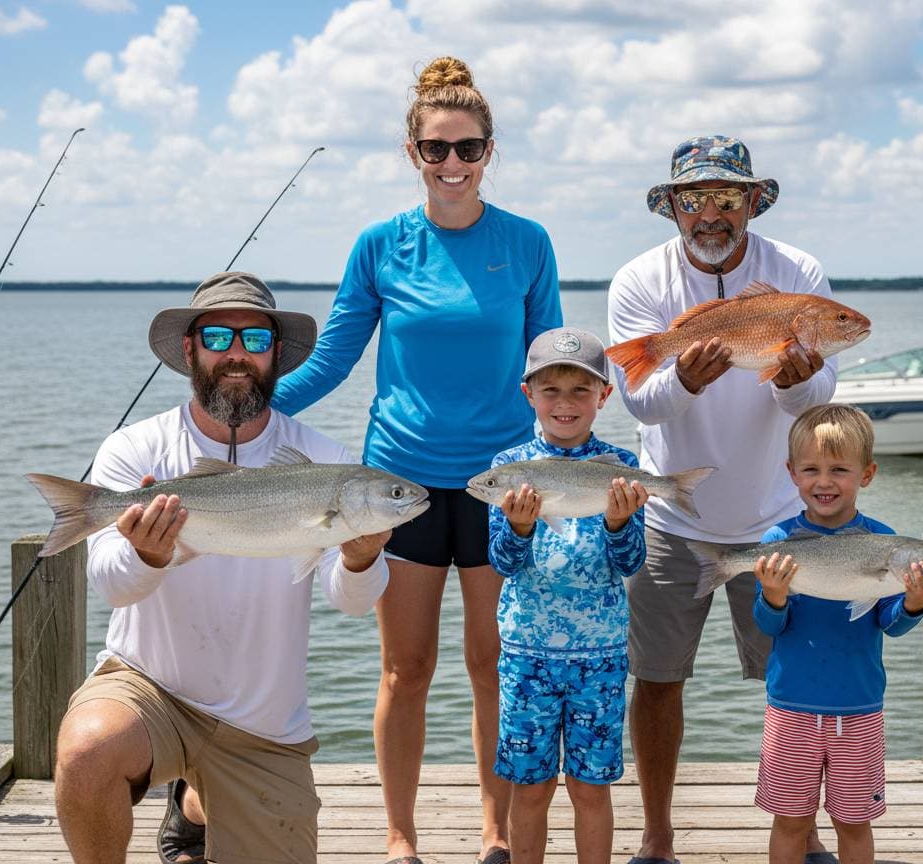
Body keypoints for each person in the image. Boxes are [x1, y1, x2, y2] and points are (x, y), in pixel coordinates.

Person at [270, 57, 562, 864]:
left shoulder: (528, 243)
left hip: (503, 486)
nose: (454, 165)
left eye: (469, 149)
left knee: (491, 662)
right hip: (398, 482)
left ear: (490, 151)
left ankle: (496, 830)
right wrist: (237, 417)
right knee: (407, 666)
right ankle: (399, 835)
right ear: (413, 154)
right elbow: (330, 360)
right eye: (437, 150)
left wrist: (580, 457)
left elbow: (551, 369)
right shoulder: (380, 246)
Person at [52, 272, 391, 864]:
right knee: (86, 751)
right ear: (191, 350)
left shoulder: (327, 459)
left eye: (255, 341)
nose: (237, 354)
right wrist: (149, 553)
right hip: (150, 688)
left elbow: (353, 601)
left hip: (264, 721)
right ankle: (187, 788)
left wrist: (363, 556)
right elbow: (110, 582)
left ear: (277, 355)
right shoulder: (135, 449)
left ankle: (194, 801)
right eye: (218, 336)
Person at [606, 135, 838, 864]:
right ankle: (656, 834)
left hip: (776, 518)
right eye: (695, 199)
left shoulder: (797, 274)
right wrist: (688, 378)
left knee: (798, 683)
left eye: (728, 198)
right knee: (656, 680)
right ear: (672, 207)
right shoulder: (638, 280)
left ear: (752, 204)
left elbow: (817, 400)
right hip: (671, 518)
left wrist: (792, 375)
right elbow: (640, 404)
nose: (712, 214)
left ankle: (801, 829)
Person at [752, 403, 923, 864]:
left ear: (867, 474)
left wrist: (917, 599)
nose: (825, 482)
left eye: (840, 469)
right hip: (790, 708)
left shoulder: (885, 539)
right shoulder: (776, 541)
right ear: (792, 474)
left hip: (859, 710)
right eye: (812, 470)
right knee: (789, 821)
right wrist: (775, 595)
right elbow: (769, 626)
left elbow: (891, 624)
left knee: (854, 821)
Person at [486, 327, 648, 864]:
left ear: (603, 397)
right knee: (530, 789)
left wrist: (621, 521)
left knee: (590, 789)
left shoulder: (619, 465)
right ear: (527, 393)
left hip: (599, 659)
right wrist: (521, 527)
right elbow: (502, 563)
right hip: (527, 658)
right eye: (550, 390)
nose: (565, 403)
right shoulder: (508, 469)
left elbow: (631, 563)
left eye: (581, 391)